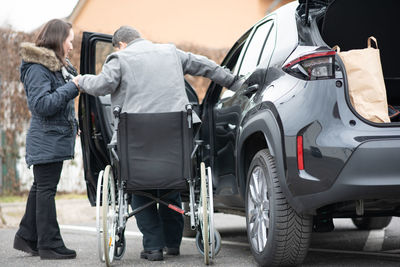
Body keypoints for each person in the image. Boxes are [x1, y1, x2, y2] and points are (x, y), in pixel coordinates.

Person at [74, 25, 238, 261]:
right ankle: (172, 244)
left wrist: (81, 80)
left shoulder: (118, 58)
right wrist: (232, 81)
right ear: (139, 38)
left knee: (139, 188)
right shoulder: (170, 52)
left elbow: (102, 86)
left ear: (120, 44)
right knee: (170, 183)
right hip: (175, 141)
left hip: (135, 142)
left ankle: (153, 247)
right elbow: (206, 65)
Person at [13, 19, 80, 260]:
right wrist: (72, 87)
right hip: (46, 139)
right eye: (69, 41)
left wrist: (75, 125)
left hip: (53, 137)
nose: (71, 46)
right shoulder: (37, 68)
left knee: (40, 187)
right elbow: (42, 105)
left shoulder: (56, 67)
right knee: (46, 190)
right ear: (57, 40)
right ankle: (49, 244)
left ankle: (27, 236)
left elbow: (59, 105)